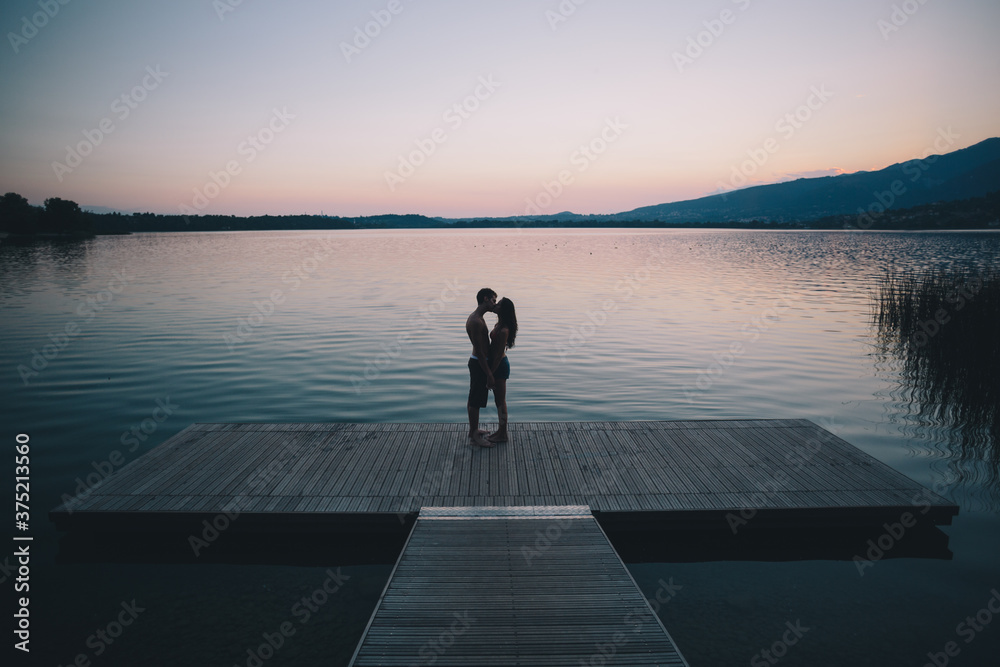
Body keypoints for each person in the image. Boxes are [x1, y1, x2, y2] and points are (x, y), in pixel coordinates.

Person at [466, 288, 497, 446]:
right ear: (485, 299)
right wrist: (489, 374)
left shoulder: (476, 317)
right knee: (476, 400)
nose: (494, 304)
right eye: (493, 300)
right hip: (479, 363)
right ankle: (474, 437)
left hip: (478, 362)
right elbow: (479, 351)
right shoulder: (476, 321)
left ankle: (473, 430)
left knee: (473, 398)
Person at [486, 297, 517, 445]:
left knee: (500, 401)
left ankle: (503, 433)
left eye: (498, 305)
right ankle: (500, 430)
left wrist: (490, 374)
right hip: (495, 364)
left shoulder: (504, 330)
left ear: (503, 309)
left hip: (499, 366)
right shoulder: (499, 324)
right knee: (498, 400)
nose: (495, 305)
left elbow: (498, 356)